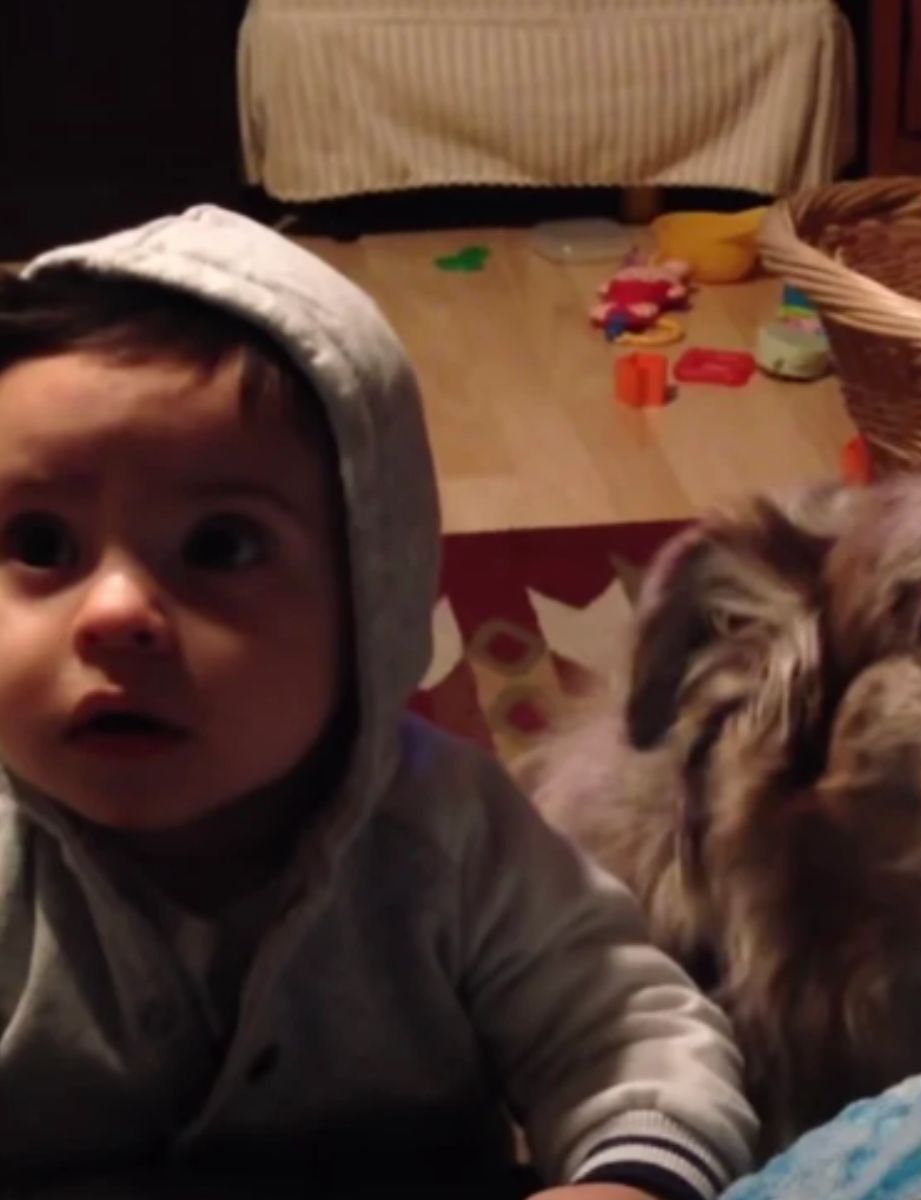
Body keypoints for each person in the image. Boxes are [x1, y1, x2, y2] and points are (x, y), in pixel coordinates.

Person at [0, 207, 757, 1199]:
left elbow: (623, 1030)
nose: (113, 615)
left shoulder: (448, 829)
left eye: (221, 547)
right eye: (42, 546)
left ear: (374, 597)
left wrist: (631, 1175)